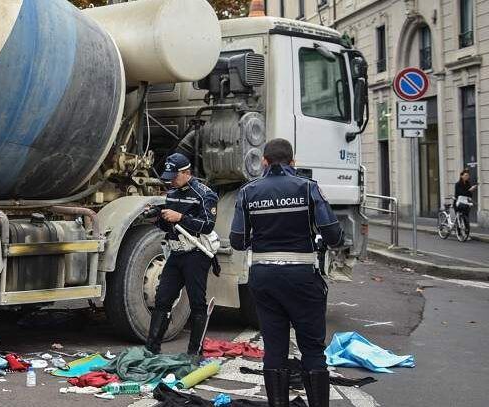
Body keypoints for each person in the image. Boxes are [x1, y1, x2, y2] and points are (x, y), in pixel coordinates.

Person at [229, 139, 342, 407]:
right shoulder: (308, 188)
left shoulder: (248, 192)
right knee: (313, 349)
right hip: (302, 277)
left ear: (265, 162)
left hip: (264, 279)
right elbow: (334, 235)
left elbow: (237, 241)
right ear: (293, 162)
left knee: (275, 349)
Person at [146, 152, 218, 356]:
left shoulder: (204, 194)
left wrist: (180, 217)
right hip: (175, 253)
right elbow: (169, 226)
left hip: (197, 252)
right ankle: (151, 350)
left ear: (186, 172)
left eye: (174, 177)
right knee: (162, 299)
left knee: (197, 302)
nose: (171, 182)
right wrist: (157, 218)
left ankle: (194, 353)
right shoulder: (172, 192)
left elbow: (207, 225)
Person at [454, 169, 476, 236]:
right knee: (459, 218)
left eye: (468, 175)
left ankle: (466, 233)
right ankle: (459, 233)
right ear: (461, 176)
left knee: (466, 218)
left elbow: (469, 195)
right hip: (458, 203)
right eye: (466, 175)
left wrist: (471, 190)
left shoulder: (468, 183)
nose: (467, 177)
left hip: (465, 203)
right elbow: (460, 193)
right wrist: (469, 190)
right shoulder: (457, 184)